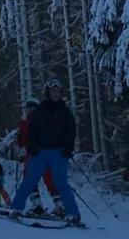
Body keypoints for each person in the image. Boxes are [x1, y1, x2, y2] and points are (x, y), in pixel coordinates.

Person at [8, 81, 82, 226]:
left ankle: (73, 214)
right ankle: (15, 209)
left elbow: (71, 132)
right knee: (29, 181)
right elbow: (32, 131)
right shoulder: (40, 111)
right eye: (53, 91)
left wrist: (68, 147)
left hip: (59, 154)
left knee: (61, 184)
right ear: (48, 93)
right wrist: (32, 147)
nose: (56, 93)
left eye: (58, 91)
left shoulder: (65, 111)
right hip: (40, 153)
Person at [17, 97, 64, 216]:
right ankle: (60, 205)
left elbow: (22, 141)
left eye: (31, 108)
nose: (29, 111)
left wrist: (19, 140)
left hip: (33, 156)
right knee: (50, 179)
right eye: (28, 108)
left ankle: (37, 205)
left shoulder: (25, 123)